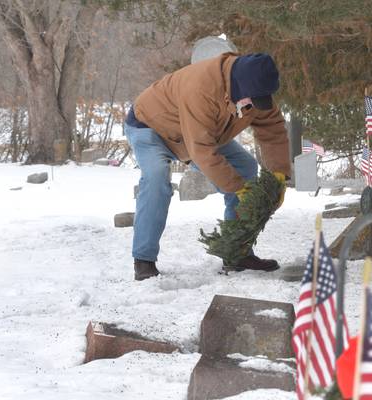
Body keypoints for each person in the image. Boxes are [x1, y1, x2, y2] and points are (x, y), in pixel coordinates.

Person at [124, 52, 290, 281]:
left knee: (246, 167)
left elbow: (273, 132)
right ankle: (143, 260)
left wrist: (280, 176)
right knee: (156, 178)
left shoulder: (256, 88)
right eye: (252, 100)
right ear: (238, 87)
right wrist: (240, 189)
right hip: (151, 127)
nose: (256, 105)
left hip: (196, 132)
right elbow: (202, 151)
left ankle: (236, 253)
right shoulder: (201, 88)